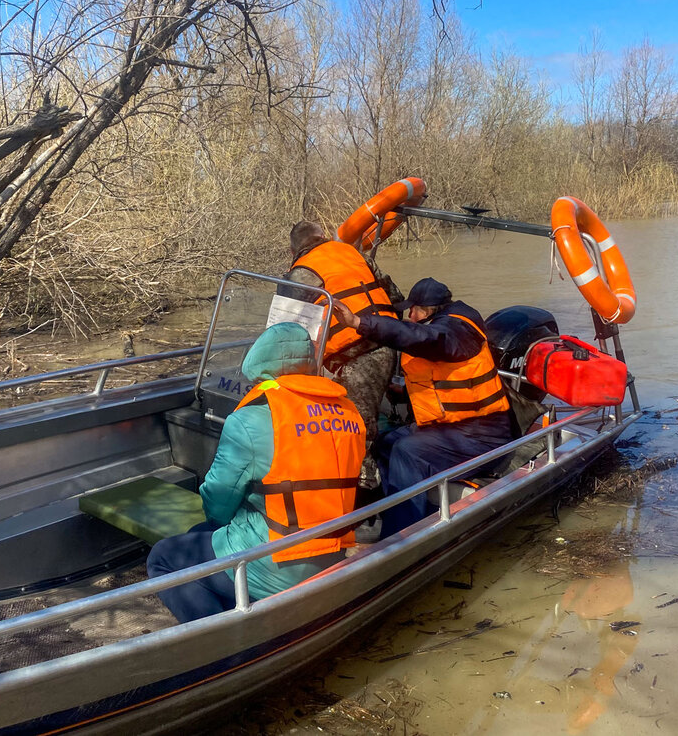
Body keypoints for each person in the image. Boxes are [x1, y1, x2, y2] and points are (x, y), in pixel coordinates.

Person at [146, 322, 365, 622]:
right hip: (333, 551)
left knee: (163, 557)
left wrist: (221, 524)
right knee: (200, 535)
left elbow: (218, 501)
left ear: (258, 365)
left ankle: (220, 644)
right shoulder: (350, 413)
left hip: (275, 563)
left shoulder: (249, 420)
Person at [331, 277, 513, 537]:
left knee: (409, 451)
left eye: (412, 310)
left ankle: (401, 535)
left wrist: (360, 323)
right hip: (453, 427)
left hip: (483, 435)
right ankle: (386, 514)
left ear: (426, 311)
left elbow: (421, 338)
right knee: (385, 443)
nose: (409, 315)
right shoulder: (444, 328)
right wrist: (403, 392)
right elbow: (446, 380)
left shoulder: (454, 331)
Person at [282, 220, 401, 488]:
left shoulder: (301, 272)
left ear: (293, 252)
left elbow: (282, 328)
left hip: (356, 357)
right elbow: (394, 295)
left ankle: (365, 494)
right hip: (387, 341)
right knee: (361, 422)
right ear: (322, 236)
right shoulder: (353, 253)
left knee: (357, 431)